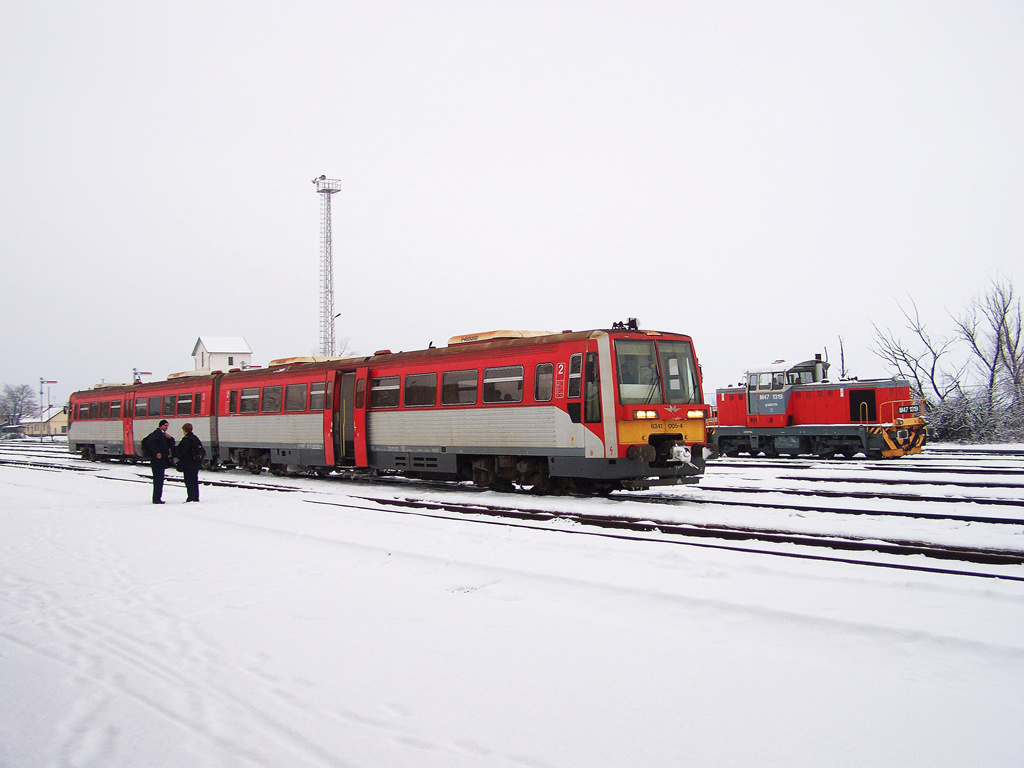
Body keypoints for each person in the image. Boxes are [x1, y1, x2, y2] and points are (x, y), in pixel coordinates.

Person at [141, 419, 175, 504]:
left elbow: (171, 444)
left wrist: (170, 438)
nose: (166, 427)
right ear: (161, 426)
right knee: (158, 480)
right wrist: (157, 452)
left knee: (160, 480)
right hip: (157, 461)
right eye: (165, 425)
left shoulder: (163, 434)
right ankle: (156, 499)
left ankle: (158, 498)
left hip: (161, 460)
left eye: (167, 426)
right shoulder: (157, 433)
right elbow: (151, 442)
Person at [175, 422, 205, 503]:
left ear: (184, 430)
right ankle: (195, 497)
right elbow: (202, 451)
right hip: (196, 463)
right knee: (194, 480)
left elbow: (180, 453)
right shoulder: (195, 438)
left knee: (189, 481)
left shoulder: (186, 440)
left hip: (188, 463)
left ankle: (190, 497)